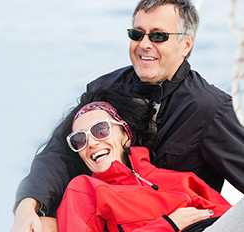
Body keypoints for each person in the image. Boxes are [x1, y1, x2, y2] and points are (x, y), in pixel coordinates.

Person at [11, 0, 244, 232]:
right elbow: (58, 154)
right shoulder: (105, 89)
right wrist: (27, 206)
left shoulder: (209, 109)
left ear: (185, 44)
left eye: (158, 36)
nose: (144, 44)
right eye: (137, 34)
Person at [57, 88, 241, 232]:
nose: (91, 142)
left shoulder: (180, 179)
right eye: (79, 140)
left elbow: (226, 215)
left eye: (100, 130)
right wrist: (168, 225)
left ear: (126, 135)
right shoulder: (83, 189)